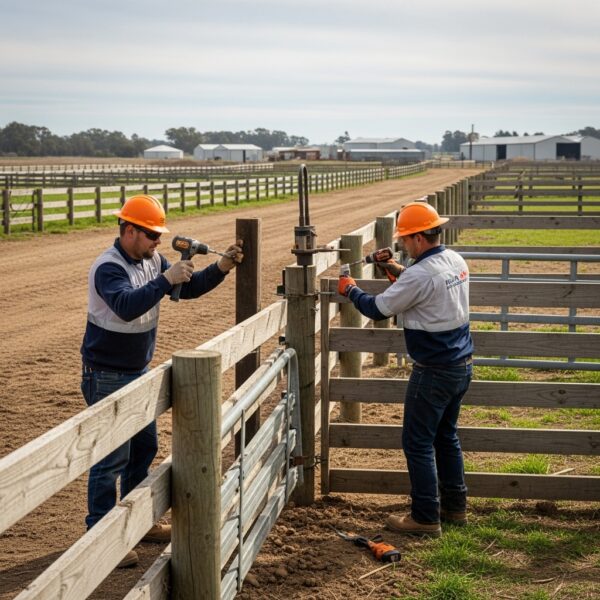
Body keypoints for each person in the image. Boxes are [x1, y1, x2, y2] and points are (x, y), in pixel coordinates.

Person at [80, 194, 243, 567]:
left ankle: (137, 523)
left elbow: (188, 287)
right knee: (110, 457)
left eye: (158, 235)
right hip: (105, 374)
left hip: (137, 370)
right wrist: (165, 279)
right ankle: (101, 535)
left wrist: (220, 267)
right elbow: (125, 307)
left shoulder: (153, 259)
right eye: (152, 234)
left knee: (143, 449)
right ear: (130, 230)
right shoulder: (108, 267)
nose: (157, 241)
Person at [338, 201, 473, 538]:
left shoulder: (419, 274)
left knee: (417, 442)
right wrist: (398, 270)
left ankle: (425, 516)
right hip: (461, 365)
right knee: (446, 437)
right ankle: (455, 508)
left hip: (433, 370)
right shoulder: (454, 260)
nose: (401, 245)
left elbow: (378, 309)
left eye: (404, 240)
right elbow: (425, 287)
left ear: (417, 239)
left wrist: (350, 289)